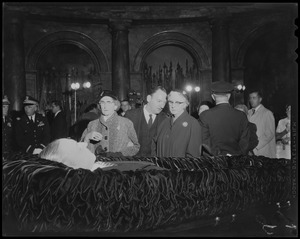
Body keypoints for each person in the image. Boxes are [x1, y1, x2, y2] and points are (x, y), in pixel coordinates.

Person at [39, 138, 163, 171]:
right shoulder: (103, 183)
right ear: (68, 163)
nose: (83, 144)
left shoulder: (97, 163)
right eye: (77, 146)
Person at [81, 90, 140, 156]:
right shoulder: (92, 124)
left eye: (109, 102)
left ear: (115, 105)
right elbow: (81, 150)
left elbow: (135, 146)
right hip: (98, 165)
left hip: (119, 164)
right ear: (99, 106)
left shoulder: (126, 123)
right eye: (102, 102)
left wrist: (120, 154)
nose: (105, 106)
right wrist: (86, 138)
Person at [199, 81, 250, 156]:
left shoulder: (205, 115)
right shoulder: (241, 115)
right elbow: (245, 141)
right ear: (229, 96)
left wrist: (221, 154)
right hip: (236, 161)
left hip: (212, 161)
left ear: (213, 97)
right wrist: (236, 154)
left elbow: (204, 140)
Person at [153, 90, 202, 157]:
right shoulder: (164, 122)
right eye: (171, 102)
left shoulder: (193, 124)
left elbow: (193, 156)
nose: (173, 105)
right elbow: (154, 146)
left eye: (178, 102)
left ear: (186, 104)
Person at [125, 86, 168, 156]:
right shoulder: (130, 115)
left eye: (164, 102)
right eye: (159, 101)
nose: (162, 106)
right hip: (133, 162)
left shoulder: (165, 120)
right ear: (149, 98)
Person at [248, 90, 276, 158]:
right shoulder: (248, 113)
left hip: (263, 151)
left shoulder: (267, 113)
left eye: (254, 98)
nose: (251, 100)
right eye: (250, 98)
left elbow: (269, 134)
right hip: (250, 152)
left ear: (260, 99)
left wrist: (254, 147)